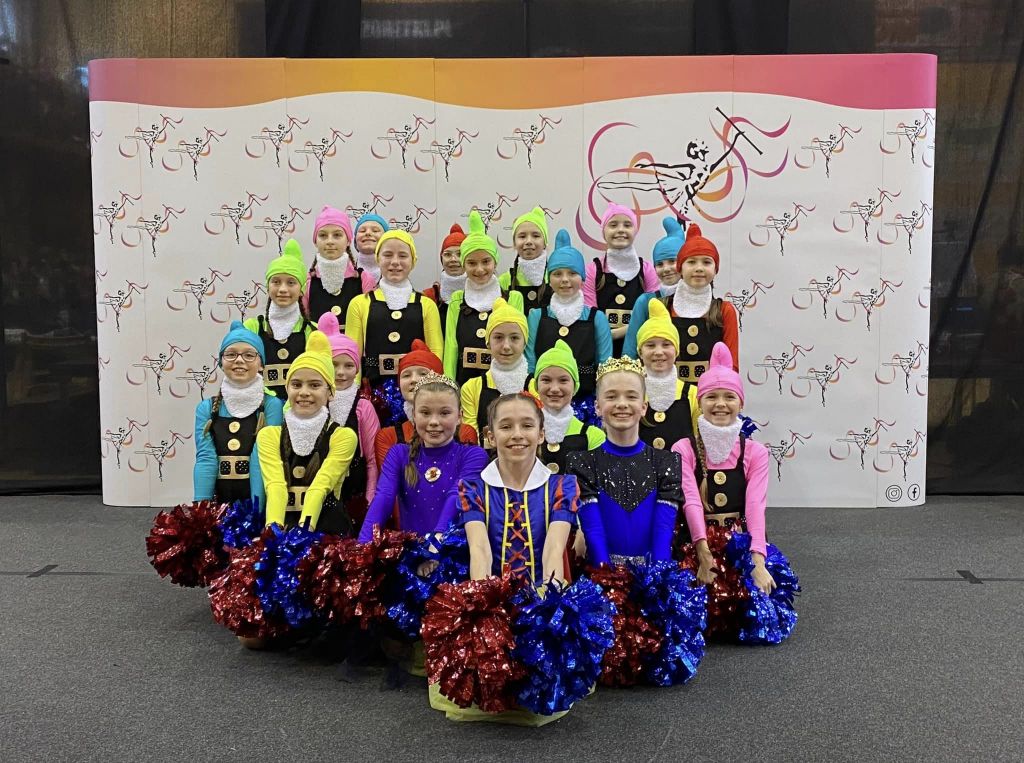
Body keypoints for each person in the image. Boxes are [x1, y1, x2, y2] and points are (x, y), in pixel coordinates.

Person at [673, 342, 796, 641]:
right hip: (696, 544)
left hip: (739, 546)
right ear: (700, 402)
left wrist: (757, 561)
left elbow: (755, 507)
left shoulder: (755, 452)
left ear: (740, 404)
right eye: (711, 397)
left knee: (761, 621)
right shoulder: (683, 448)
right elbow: (691, 502)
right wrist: (703, 556)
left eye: (729, 397)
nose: (720, 404)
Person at [567, 357, 682, 565]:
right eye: (611, 396)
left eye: (631, 396)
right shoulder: (584, 464)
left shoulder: (665, 463)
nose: (622, 404)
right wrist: (607, 577)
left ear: (644, 406)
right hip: (601, 577)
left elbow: (663, 531)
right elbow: (593, 530)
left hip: (653, 577)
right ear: (597, 406)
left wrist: (657, 578)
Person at [460, 392, 578, 586]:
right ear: (491, 436)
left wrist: (550, 598)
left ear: (541, 434)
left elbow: (553, 550)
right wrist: (484, 598)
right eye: (506, 427)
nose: (517, 434)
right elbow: (479, 550)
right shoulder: (474, 490)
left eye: (527, 426)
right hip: (492, 596)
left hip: (544, 594)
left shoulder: (560, 487)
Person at [359, 373, 488, 543]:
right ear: (414, 415)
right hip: (411, 554)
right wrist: (362, 548)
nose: (434, 421)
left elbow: (456, 495)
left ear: (459, 417)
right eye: (425, 413)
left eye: (444, 413)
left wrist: (436, 541)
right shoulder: (398, 454)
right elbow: (383, 498)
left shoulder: (473, 455)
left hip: (453, 553)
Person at [255, 331, 357, 534]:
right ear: (287, 389)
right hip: (283, 527)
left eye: (314, 385)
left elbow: (320, 487)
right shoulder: (268, 436)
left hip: (327, 532)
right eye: (296, 384)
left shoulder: (343, 436)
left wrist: (303, 536)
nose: (304, 392)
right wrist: (273, 535)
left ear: (330, 392)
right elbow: (275, 486)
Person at [344, 229, 443, 426]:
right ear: (378, 259)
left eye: (403, 256)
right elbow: (352, 355)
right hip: (373, 393)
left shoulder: (426, 305)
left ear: (413, 261)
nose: (395, 262)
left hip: (417, 393)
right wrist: (352, 395)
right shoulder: (359, 303)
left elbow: (436, 354)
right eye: (388, 255)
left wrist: (434, 393)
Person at [624, 222, 738, 378]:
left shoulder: (725, 310)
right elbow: (637, 355)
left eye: (706, 262)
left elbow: (731, 366)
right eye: (691, 262)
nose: (699, 268)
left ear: (715, 269)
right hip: (667, 391)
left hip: (710, 392)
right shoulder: (660, 306)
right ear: (680, 268)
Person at [525, 229, 612, 426]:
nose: (565, 279)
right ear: (549, 279)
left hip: (586, 404)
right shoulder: (537, 316)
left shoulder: (596, 318)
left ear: (583, 278)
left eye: (572, 273)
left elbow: (604, 367)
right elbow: (530, 362)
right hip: (543, 403)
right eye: (557, 274)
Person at [193, 321, 283, 506]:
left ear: (261, 364)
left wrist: (257, 510)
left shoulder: (271, 406)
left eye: (249, 355)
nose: (239, 360)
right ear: (221, 362)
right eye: (231, 354)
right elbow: (206, 459)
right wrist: (201, 510)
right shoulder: (206, 408)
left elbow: (262, 460)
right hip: (220, 503)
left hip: (256, 500)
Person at [443, 210, 525, 386]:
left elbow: (520, 345)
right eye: (472, 263)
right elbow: (451, 347)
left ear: (495, 262)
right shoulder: (457, 300)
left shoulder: (513, 299)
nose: (479, 269)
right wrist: (448, 386)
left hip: (502, 384)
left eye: (486, 261)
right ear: (464, 265)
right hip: (464, 384)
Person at [374, 340, 479, 470]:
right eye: (406, 375)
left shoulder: (464, 432)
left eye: (423, 373)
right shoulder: (388, 436)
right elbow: (390, 480)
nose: (413, 380)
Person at [317, 312, 380, 528]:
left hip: (355, 495)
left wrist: (369, 502)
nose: (341, 372)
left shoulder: (363, 407)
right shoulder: (314, 404)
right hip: (320, 496)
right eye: (334, 364)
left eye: (349, 365)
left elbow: (372, 460)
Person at [582, 203, 659, 356]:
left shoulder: (647, 270)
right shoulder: (592, 270)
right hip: (601, 349)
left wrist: (619, 333)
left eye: (627, 225)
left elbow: (653, 312)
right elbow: (590, 313)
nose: (621, 230)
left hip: (638, 349)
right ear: (603, 231)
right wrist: (608, 336)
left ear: (635, 230)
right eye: (613, 225)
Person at [244, 239, 315, 399]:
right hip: (261, 406)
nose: (283, 289)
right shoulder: (252, 328)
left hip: (301, 407)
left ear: (302, 289)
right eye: (276, 282)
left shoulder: (313, 331)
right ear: (268, 286)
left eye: (291, 283)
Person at [460, 298, 532, 443]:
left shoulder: (535, 386)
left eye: (514, 338)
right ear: (488, 342)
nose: (506, 346)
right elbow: (471, 440)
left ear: (525, 343)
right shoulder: (471, 388)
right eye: (498, 337)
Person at [532, 340, 605, 476]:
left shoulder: (593, 436)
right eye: (546, 380)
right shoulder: (525, 432)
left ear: (575, 386)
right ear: (536, 385)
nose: (554, 388)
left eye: (563, 380)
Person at [636, 300, 699, 450]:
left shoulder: (693, 394)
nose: (659, 352)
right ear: (640, 352)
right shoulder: (631, 392)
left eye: (666, 344)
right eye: (650, 345)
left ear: (676, 351)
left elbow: (699, 445)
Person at [302, 206, 376, 332]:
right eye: (323, 235)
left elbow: (370, 324)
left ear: (348, 240)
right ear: (315, 241)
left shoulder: (363, 279)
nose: (330, 241)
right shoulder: (307, 280)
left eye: (337, 235)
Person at [622, 216, 685, 357]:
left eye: (672, 261)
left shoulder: (699, 301)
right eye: (660, 264)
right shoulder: (645, 301)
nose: (666, 269)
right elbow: (630, 348)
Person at [498, 206, 551, 316]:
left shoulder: (554, 276)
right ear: (514, 243)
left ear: (545, 242)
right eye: (522, 236)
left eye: (536, 236)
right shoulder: (504, 280)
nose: (528, 241)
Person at [422, 224, 467, 332]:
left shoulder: (481, 295)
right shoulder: (429, 296)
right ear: (441, 259)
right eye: (447, 254)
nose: (453, 259)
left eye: (459, 254)